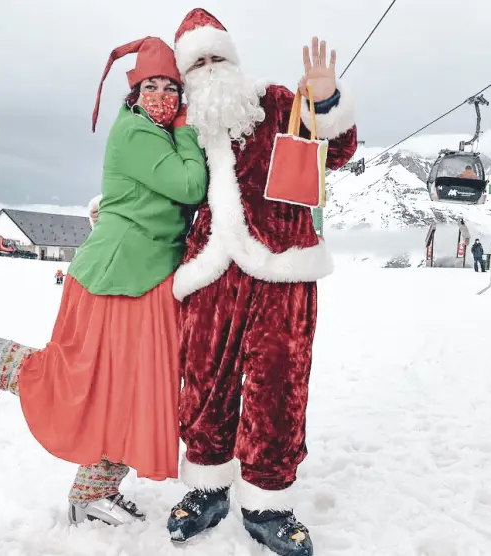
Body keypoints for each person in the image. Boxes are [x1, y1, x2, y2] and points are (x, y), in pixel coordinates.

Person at [0, 36, 207, 527]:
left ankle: (92, 492)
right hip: (117, 277)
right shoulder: (137, 132)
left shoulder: (163, 134)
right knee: (87, 381)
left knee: (135, 389)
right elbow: (191, 186)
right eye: (151, 86)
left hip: (146, 278)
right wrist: (188, 128)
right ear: (134, 93)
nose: (161, 96)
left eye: (170, 88)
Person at [165, 9, 357, 556]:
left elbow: (336, 153)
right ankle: (206, 489)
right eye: (196, 62)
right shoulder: (180, 126)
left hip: (281, 268)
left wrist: (323, 100)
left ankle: (269, 501)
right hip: (209, 275)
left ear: (233, 59)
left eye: (215, 57)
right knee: (204, 385)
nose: (208, 69)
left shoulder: (274, 101)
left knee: (279, 386)